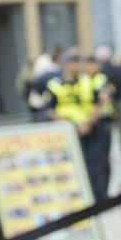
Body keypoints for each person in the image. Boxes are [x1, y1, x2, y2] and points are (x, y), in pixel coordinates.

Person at [49, 52, 115, 203]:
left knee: (98, 163)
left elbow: (101, 103)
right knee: (78, 164)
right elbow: (50, 108)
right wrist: (68, 125)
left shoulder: (90, 81)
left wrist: (88, 123)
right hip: (69, 130)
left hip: (93, 127)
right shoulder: (55, 84)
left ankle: (100, 197)